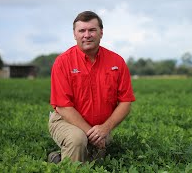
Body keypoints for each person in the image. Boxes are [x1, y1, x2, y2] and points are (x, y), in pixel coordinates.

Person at [48, 10, 136, 163]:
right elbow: (63, 107)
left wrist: (105, 128)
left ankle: (57, 159)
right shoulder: (62, 62)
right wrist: (92, 134)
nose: (87, 35)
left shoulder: (117, 62)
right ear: (74, 34)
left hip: (100, 127)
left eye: (92, 30)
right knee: (77, 139)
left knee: (95, 161)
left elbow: (125, 102)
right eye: (82, 30)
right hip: (65, 121)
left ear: (101, 32)